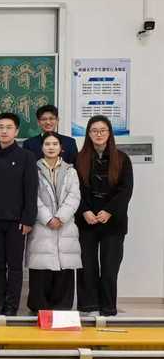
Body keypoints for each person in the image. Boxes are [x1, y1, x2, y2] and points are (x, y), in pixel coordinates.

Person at [0, 113, 37, 316]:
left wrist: (28, 218)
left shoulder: (26, 157)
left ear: (16, 131)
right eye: (0, 127)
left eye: (9, 127)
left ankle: (12, 306)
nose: (4, 131)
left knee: (15, 266)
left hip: (17, 221)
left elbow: (31, 190)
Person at [75, 116, 133, 317]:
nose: (98, 134)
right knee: (87, 267)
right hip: (86, 221)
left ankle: (108, 309)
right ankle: (88, 307)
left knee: (109, 268)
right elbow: (75, 189)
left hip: (113, 223)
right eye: (94, 131)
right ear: (88, 134)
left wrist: (109, 211)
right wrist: (84, 211)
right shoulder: (79, 158)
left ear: (109, 133)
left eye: (103, 130)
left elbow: (126, 190)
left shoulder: (122, 158)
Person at [26, 133, 82, 313]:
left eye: (55, 144)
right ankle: (39, 308)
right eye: (47, 144)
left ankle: (62, 308)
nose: (51, 147)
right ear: (41, 148)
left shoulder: (71, 171)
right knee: (41, 266)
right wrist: (48, 218)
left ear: (61, 148)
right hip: (42, 225)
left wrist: (60, 217)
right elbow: (31, 197)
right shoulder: (33, 169)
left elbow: (74, 196)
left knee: (64, 266)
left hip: (65, 225)